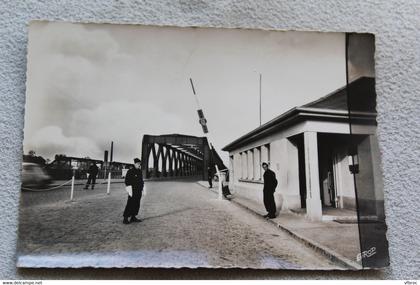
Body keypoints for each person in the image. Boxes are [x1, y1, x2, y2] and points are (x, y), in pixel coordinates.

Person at [123, 158, 144, 224]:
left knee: (137, 204)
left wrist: (142, 187)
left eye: (139, 164)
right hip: (132, 191)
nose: (139, 165)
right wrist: (129, 189)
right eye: (137, 164)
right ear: (134, 164)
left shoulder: (139, 171)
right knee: (130, 203)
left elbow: (141, 180)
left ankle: (133, 217)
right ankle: (125, 218)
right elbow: (127, 181)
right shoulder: (130, 171)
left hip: (138, 191)